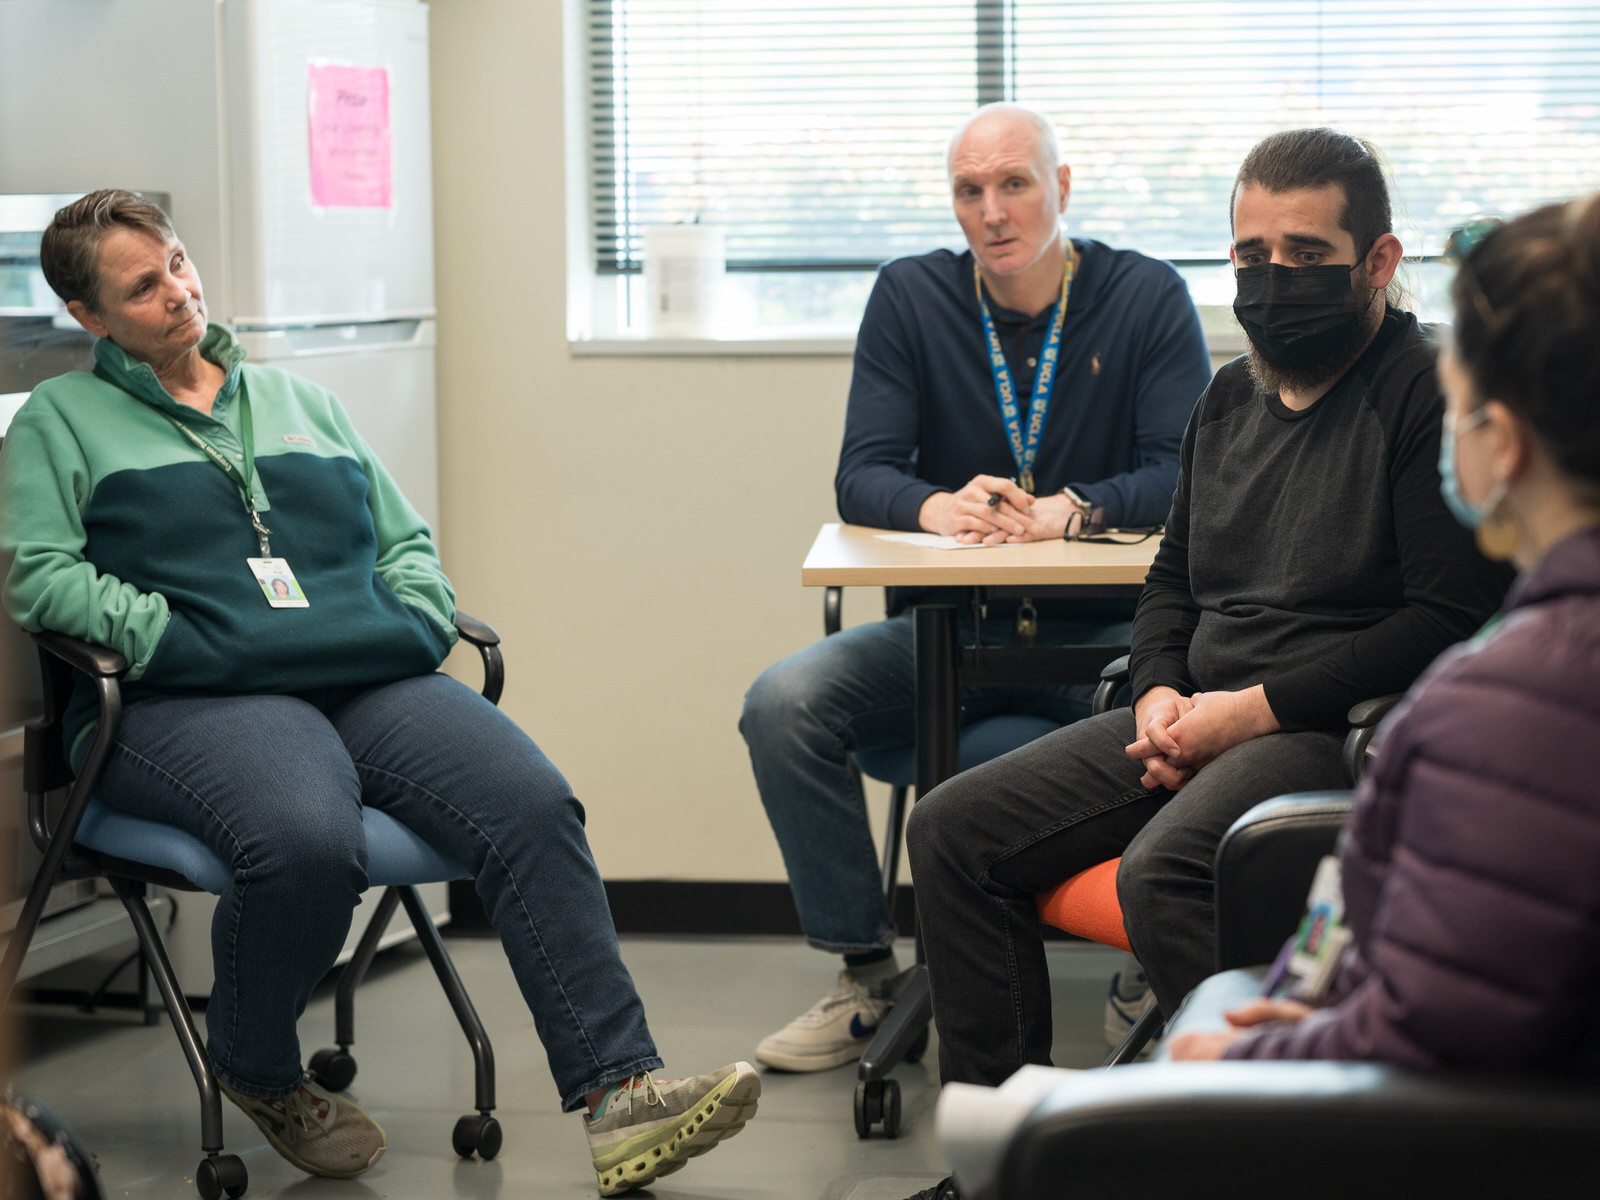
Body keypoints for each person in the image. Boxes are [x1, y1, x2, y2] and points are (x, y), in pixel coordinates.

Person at [0, 190, 759, 1196]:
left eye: (179, 263)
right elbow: (37, 575)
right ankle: (259, 1065)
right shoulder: (62, 420)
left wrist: (410, 611)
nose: (180, 293)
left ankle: (618, 1096)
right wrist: (168, 634)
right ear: (91, 319)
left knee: (533, 803)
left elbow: (407, 547)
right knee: (310, 841)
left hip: (363, 675)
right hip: (190, 701)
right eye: (143, 288)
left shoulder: (300, 403)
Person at [900, 126, 1515, 1189]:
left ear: (1378, 261)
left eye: (1306, 257)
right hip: (1194, 710)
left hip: (1327, 722)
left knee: (1169, 871)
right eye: (1250, 258)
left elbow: (1441, 619)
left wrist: (1251, 711)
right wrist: (1159, 693)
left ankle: (1256, 1157)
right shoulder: (1228, 398)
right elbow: (1172, 582)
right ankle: (1005, 1165)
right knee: (952, 828)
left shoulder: (1419, 395)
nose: (1274, 282)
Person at [739, 102, 1213, 1073]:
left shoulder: (1143, 294)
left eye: (1014, 184)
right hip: (951, 638)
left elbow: (1185, 470)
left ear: (1062, 186)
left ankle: (1146, 964)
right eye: (969, 190)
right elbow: (860, 473)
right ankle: (865, 975)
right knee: (782, 705)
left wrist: (1073, 508)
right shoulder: (912, 297)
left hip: (1104, 642)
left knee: (1178, 724)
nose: (991, 211)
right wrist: (935, 505)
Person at [1165, 193, 1600, 1068]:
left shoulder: (1498, 716)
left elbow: (1434, 1035)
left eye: (1457, 404)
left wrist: (1226, 1068)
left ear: (1502, 444)